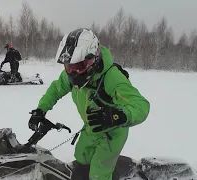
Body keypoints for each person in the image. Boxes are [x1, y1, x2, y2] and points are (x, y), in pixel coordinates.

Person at [28, 28, 150, 180]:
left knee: (98, 175)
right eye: (68, 67)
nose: (73, 73)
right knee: (80, 163)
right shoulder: (73, 74)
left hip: (111, 133)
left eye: (78, 67)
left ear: (93, 59)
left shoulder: (111, 77)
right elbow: (56, 89)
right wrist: (41, 109)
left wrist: (117, 116)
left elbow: (141, 105)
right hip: (91, 127)